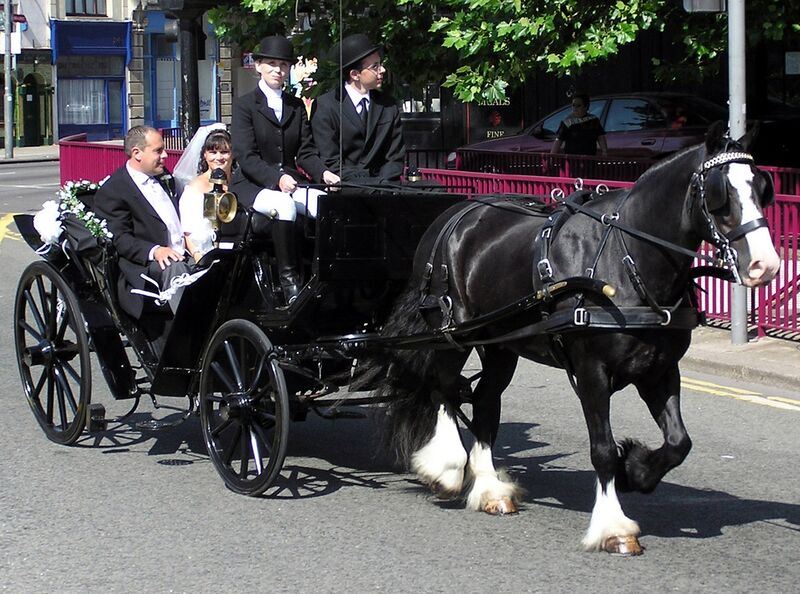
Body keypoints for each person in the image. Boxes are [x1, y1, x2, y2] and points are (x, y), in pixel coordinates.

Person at [230, 35, 340, 306]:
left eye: (283, 65)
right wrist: (276, 178)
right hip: (254, 184)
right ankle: (289, 281)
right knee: (285, 207)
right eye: (271, 64)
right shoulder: (244, 106)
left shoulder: (295, 105)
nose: (278, 70)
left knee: (324, 205)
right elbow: (246, 156)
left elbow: (306, 151)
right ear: (258, 66)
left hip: (290, 180)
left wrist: (323, 174)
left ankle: (322, 276)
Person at [94, 125, 192, 320]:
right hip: (147, 267)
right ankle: (191, 333)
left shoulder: (165, 177)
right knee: (176, 269)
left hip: (184, 253)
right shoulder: (113, 190)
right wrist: (155, 250)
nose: (165, 155)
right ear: (137, 153)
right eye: (158, 151)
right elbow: (120, 239)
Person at [311, 33, 406, 183]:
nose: (382, 70)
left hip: (386, 187)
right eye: (375, 67)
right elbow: (330, 161)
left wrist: (383, 183)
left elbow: (395, 156)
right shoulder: (326, 106)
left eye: (380, 64)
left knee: (435, 190)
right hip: (346, 187)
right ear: (355, 74)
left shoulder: (389, 106)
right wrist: (368, 183)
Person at [173, 123, 233, 259]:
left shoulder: (238, 183)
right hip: (206, 251)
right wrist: (197, 255)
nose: (218, 157)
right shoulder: (194, 188)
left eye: (224, 152)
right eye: (213, 152)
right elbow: (188, 231)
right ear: (205, 155)